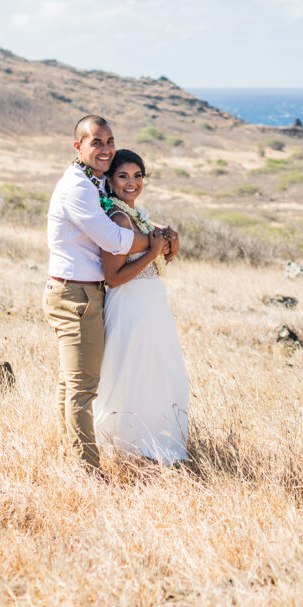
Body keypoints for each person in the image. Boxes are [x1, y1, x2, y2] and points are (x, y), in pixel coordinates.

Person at [42, 116, 160, 473]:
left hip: (82, 293)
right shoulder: (77, 188)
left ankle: (72, 460)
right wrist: (153, 243)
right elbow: (112, 239)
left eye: (110, 140)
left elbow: (121, 222)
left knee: (70, 384)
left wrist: (156, 234)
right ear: (78, 146)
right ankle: (89, 471)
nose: (106, 148)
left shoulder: (94, 183)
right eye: (97, 142)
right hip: (75, 295)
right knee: (82, 389)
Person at [94, 148, 189, 464]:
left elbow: (158, 260)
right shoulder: (118, 218)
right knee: (132, 372)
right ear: (109, 180)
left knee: (159, 371)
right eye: (123, 175)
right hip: (130, 307)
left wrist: (168, 246)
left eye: (137, 176)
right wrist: (152, 250)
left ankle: (155, 441)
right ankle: (128, 445)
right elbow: (113, 277)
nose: (131, 182)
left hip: (152, 307)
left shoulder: (138, 215)